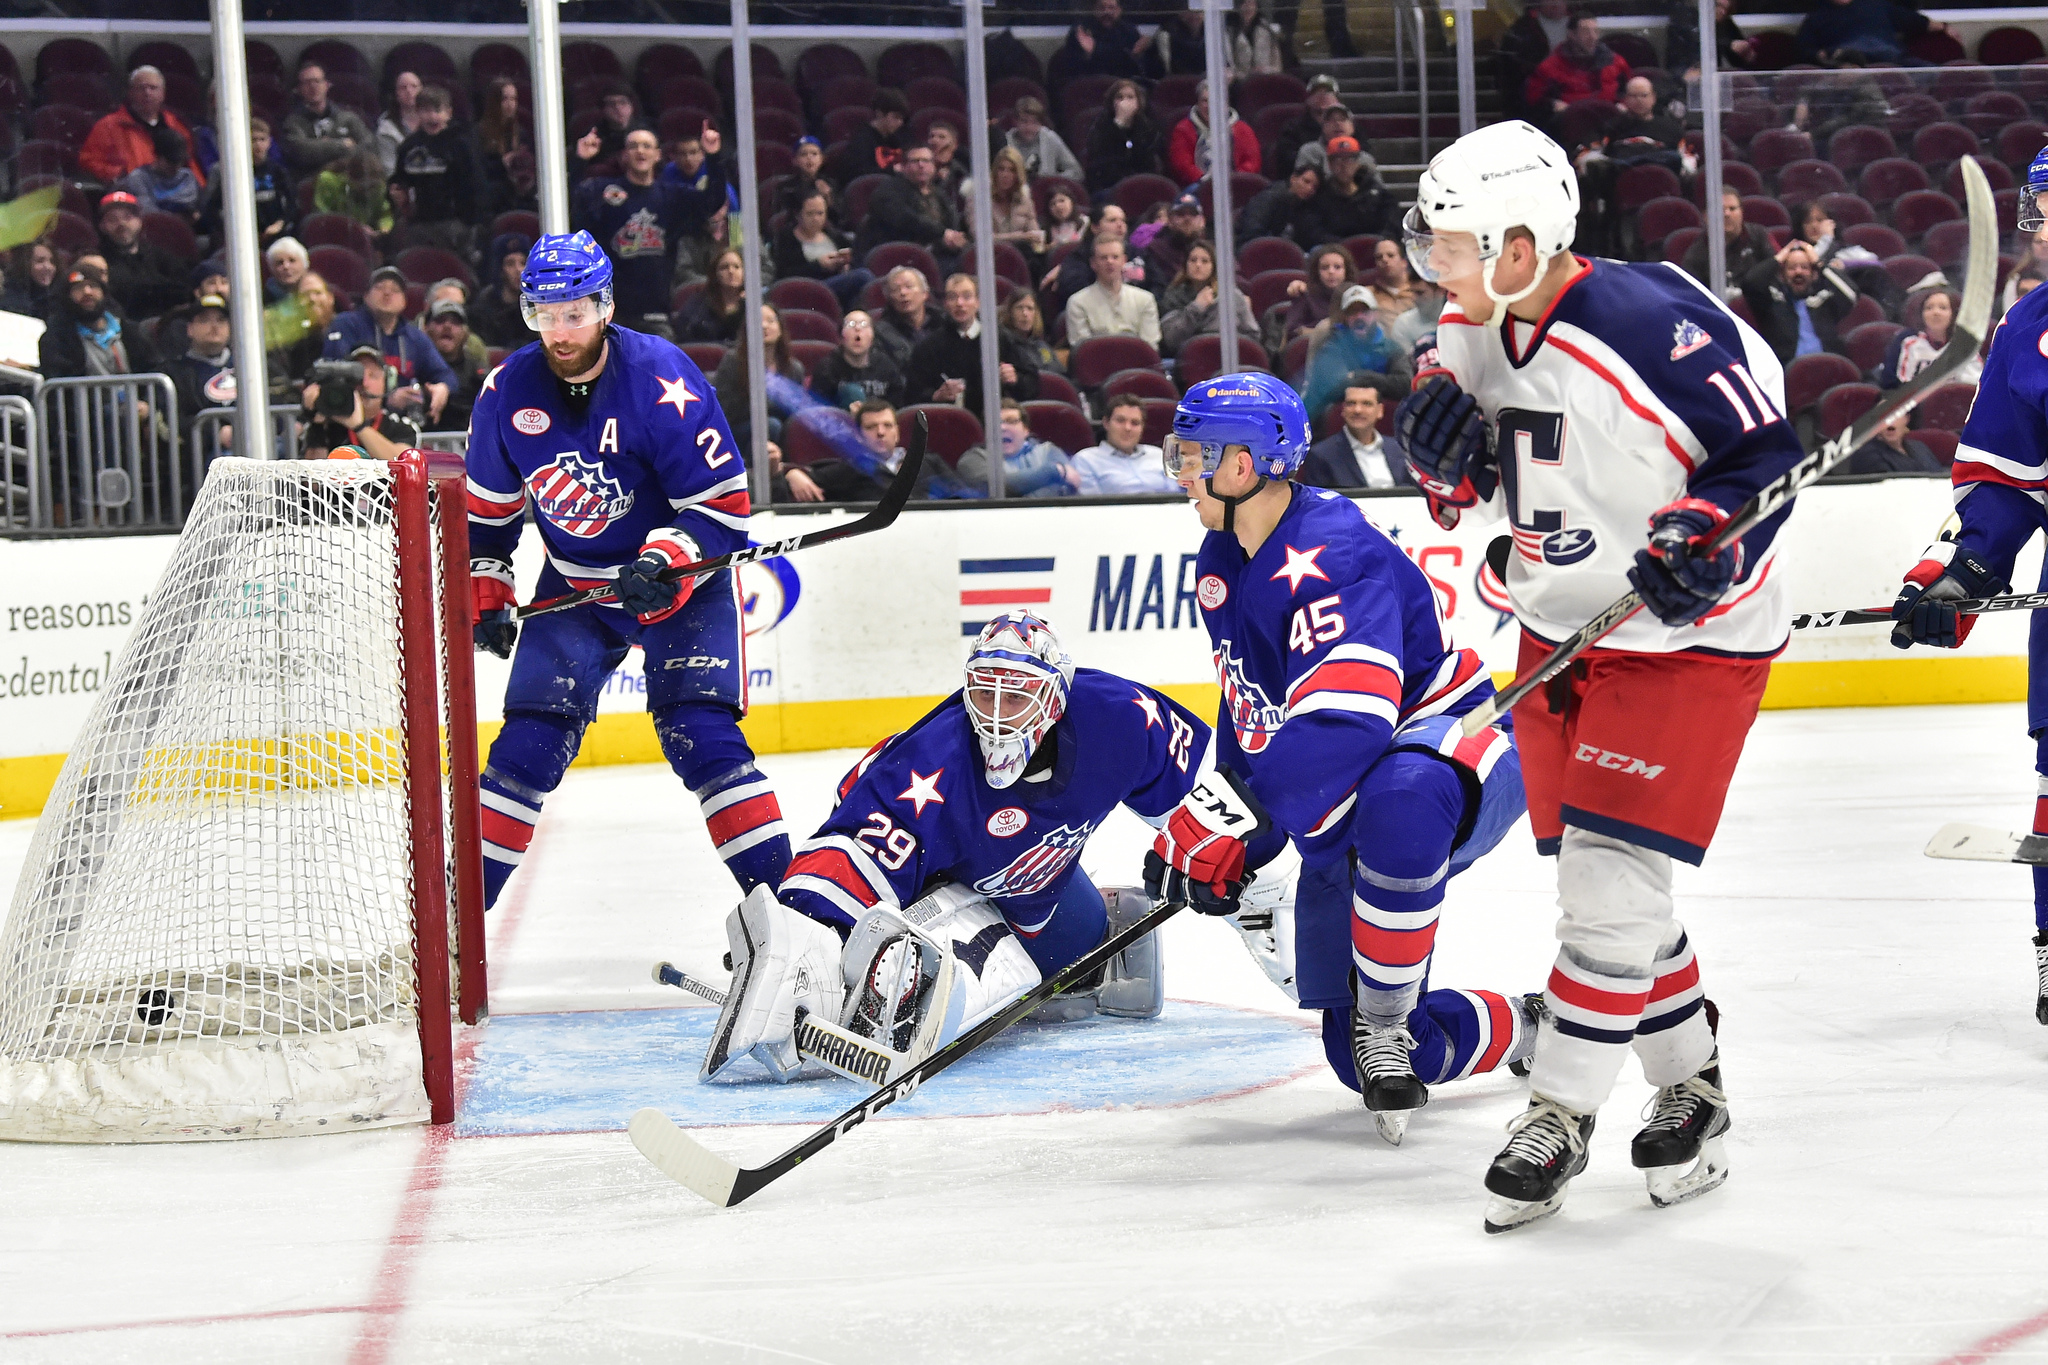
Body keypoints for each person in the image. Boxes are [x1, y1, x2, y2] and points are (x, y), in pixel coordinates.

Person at [1400, 119, 1802, 1230]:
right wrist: (1442, 470)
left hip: (1683, 642)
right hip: (1558, 635)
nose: (1429, 264)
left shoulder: (1645, 326)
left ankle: (1558, 1113)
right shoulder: (1466, 323)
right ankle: (1692, 1090)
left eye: (1448, 243)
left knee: (1605, 890)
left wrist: (1705, 533)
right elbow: (1490, 491)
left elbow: (1763, 457)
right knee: (1614, 894)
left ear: (1518, 248)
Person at [1153, 368, 1536, 1146]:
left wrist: (1242, 820)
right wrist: (1231, 826)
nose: (1182, 470)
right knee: (1356, 1059)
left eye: (1194, 454)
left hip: (1445, 745)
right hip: (1348, 777)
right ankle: (1541, 1023)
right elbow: (1250, 707)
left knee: (1398, 802)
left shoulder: (1336, 551)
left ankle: (1388, 1020)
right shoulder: (1221, 556)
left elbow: (1347, 722)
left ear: (1244, 463)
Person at [705, 612, 1198, 1085]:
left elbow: (1205, 793)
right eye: (985, 694)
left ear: (1053, 701)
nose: (998, 716)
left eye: (1016, 697)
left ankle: (1106, 911)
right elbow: (848, 854)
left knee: (1077, 953)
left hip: (1038, 891)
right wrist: (806, 941)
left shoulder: (1118, 719)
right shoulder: (928, 766)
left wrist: (1236, 851)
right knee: (909, 974)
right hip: (935, 882)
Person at [464, 229, 793, 915]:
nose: (559, 331)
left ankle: (794, 917)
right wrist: (490, 585)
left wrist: (666, 557)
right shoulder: (506, 392)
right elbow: (490, 512)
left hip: (679, 586)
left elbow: (724, 510)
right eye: (543, 314)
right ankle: (455, 923)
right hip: (575, 587)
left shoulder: (662, 377)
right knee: (526, 745)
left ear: (606, 307)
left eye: (574, 312)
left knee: (700, 735)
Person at [1890, 149, 2048, 1026]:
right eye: (2044, 208)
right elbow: (2006, 480)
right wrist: (1960, 570)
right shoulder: (2030, 328)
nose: (2045, 227)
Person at [573, 126, 703, 338]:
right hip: (612, 312)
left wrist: (713, 157)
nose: (640, 151)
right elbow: (571, 204)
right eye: (633, 146)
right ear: (624, 155)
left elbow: (711, 203)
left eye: (646, 146)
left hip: (656, 313)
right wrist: (580, 161)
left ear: (657, 154)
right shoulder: (604, 191)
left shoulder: (671, 196)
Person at [321, 264, 455, 428]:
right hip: (352, 421)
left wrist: (442, 388)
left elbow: (445, 374)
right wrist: (386, 399)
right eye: (379, 287)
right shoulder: (347, 324)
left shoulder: (413, 337)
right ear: (366, 296)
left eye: (395, 290)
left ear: (404, 301)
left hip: (401, 424)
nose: (387, 293)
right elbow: (334, 373)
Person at [904, 273, 1041, 420]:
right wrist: (936, 396)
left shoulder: (1001, 339)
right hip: (949, 423)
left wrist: (1015, 378)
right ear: (945, 303)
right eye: (952, 297)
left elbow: (1033, 384)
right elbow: (912, 394)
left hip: (996, 423)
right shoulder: (929, 346)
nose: (959, 303)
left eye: (967, 296)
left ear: (978, 301)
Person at [388, 86, 482, 254]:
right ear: (417, 113)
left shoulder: (461, 145)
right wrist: (396, 191)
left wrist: (468, 222)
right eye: (425, 111)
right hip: (418, 223)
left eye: (437, 111)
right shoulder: (409, 147)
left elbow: (474, 185)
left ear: (448, 113)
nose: (432, 117)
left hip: (453, 223)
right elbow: (400, 179)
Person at [1739, 237, 1859, 364]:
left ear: (1814, 274)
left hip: (1829, 370)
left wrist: (1819, 263)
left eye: (1805, 267)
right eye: (1791, 268)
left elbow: (1851, 293)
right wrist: (1780, 257)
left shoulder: (1825, 300)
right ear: (1782, 275)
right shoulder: (1772, 302)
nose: (1798, 272)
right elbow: (1750, 283)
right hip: (1787, 375)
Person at [81, 65, 203, 188]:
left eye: (153, 88)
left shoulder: (176, 125)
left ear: (162, 93)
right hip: (131, 193)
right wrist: (120, 174)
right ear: (130, 92)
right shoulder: (108, 126)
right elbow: (88, 161)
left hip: (172, 192)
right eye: (141, 88)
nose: (147, 93)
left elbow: (189, 164)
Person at [40, 261, 160, 379]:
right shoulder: (56, 339)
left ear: (104, 292)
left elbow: (154, 370)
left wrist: (144, 398)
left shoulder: (129, 331)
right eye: (78, 287)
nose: (87, 292)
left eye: (93, 285)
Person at [859, 145, 968, 274]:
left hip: (939, 253)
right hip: (901, 258)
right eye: (915, 161)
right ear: (903, 166)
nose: (921, 165)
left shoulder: (939, 194)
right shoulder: (888, 191)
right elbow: (907, 219)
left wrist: (954, 238)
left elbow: (952, 223)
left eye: (926, 161)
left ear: (934, 167)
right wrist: (942, 233)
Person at [1301, 284, 1403, 421]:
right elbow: (1334, 387)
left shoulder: (1391, 348)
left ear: (1376, 314)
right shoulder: (1331, 346)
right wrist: (1382, 382)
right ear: (1345, 317)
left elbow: (1404, 385)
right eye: (1352, 312)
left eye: (1365, 311)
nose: (1359, 317)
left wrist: (1359, 376)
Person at [713, 303, 807, 451]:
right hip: (738, 429)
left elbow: (795, 411)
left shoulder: (793, 368)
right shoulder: (734, 361)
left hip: (778, 428)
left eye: (771, 321)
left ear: (780, 329)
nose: (764, 326)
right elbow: (726, 410)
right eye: (758, 320)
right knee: (771, 425)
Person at [1300, 378, 1412, 490]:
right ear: (1343, 410)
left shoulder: (1400, 449)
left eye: (1366, 404)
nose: (1357, 410)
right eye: (1351, 404)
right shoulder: (1321, 455)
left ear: (1380, 410)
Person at [199, 118, 294, 249]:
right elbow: (212, 208)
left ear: (269, 142)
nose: (258, 145)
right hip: (241, 237)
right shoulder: (233, 174)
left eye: (262, 139)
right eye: (253, 140)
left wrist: (280, 224)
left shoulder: (278, 172)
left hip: (274, 234)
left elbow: (292, 204)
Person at [773, 190, 872, 313]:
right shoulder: (787, 238)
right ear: (798, 214)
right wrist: (819, 265)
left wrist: (846, 263)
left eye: (820, 213)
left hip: (835, 285)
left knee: (858, 290)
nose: (816, 219)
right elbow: (785, 274)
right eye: (810, 214)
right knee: (863, 276)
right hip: (807, 289)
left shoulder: (832, 234)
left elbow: (855, 257)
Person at [165, 293, 238, 456]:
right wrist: (215, 433)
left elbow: (278, 399)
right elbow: (173, 423)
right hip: (208, 456)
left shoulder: (251, 366)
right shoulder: (173, 373)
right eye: (204, 320)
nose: (214, 326)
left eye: (221, 320)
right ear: (190, 329)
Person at [1159, 240, 1259, 358]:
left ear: (1214, 266)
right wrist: (1196, 307)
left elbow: (1253, 336)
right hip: (1187, 360)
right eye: (1193, 260)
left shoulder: (1232, 296)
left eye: (1205, 261)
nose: (1198, 265)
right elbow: (1171, 341)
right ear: (1186, 265)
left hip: (1227, 359)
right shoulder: (1173, 296)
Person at [1526, 13, 1631, 124]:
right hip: (1570, 129)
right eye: (1586, 32)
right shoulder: (1549, 68)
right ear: (1572, 34)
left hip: (1612, 125)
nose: (1593, 37)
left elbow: (1630, 91)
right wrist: (1552, 105)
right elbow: (1534, 100)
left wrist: (1624, 104)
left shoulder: (1616, 62)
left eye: (1596, 31)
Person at [96, 191, 188, 318]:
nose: (121, 224)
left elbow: (183, 292)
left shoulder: (162, 257)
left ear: (139, 221)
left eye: (127, 217)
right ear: (102, 226)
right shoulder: (99, 260)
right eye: (112, 219)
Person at [1065, 234, 1162, 348]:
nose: (1109, 262)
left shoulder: (1145, 299)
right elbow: (1082, 351)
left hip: (1137, 363)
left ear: (1124, 261)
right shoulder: (1077, 302)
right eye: (1103, 258)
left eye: (1115, 257)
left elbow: (1150, 347)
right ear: (1093, 264)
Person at [970, 399, 1080, 497]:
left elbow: (1067, 489)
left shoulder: (1049, 451)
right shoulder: (973, 459)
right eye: (995, 423)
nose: (1002, 427)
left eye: (1011, 421)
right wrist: (1054, 471)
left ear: (1026, 430)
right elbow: (995, 488)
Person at [282, 62, 374, 176]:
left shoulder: (348, 118)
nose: (313, 86)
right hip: (312, 183)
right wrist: (342, 145)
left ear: (327, 85)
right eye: (307, 82)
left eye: (317, 81)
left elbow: (369, 147)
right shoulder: (293, 122)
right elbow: (301, 152)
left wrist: (321, 145)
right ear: (299, 89)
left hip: (349, 178)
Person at [1681, 189, 1776, 299]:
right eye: (1720, 209)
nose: (1726, 214)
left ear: (1741, 212)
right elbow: (1691, 296)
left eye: (1732, 209)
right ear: (1706, 216)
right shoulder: (1696, 253)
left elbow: (1775, 272)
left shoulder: (1759, 236)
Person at [1073, 394, 1175, 495]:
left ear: (1142, 428)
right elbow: (1092, 506)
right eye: (1120, 421)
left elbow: (1178, 496)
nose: (1127, 428)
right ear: (1106, 423)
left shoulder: (1159, 455)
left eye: (1135, 423)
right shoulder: (1085, 460)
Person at [1796, 0, 1950, 66]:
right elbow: (1803, 51)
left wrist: (1944, 28)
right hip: (1849, 69)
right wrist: (1822, 55)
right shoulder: (1816, 18)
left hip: (1892, 62)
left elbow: (1915, 22)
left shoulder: (1876, 5)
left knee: (1932, 73)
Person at [1882, 285, 1980, 389]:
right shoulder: (1907, 342)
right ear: (1922, 314)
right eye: (1929, 308)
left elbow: (1974, 388)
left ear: (1954, 314)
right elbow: (1895, 387)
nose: (1936, 313)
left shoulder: (1965, 346)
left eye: (1943, 308)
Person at [808, 309, 906, 410]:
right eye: (851, 325)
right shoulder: (827, 369)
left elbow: (896, 408)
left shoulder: (886, 366)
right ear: (841, 337)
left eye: (864, 325)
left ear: (872, 337)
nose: (858, 329)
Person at [1167, 82, 1261, 186]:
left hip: (1236, 187)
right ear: (1197, 103)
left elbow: (1252, 162)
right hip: (1197, 187)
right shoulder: (1183, 129)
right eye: (1205, 101)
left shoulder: (1243, 130)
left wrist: (1234, 181)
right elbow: (1182, 165)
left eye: (1216, 100)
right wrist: (1206, 182)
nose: (1210, 106)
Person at [1497, 0, 1571, 122]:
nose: (1555, 3)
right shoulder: (1523, 29)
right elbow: (1512, 72)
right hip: (1535, 103)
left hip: (1571, 97)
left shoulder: (1581, 26)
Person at [265, 270, 334, 398]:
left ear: (330, 298)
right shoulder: (285, 339)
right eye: (305, 295)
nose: (312, 299)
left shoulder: (343, 328)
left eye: (318, 293)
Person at [1086, 80, 1162, 195]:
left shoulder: (1147, 127)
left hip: (1142, 183)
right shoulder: (1101, 127)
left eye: (1130, 97)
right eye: (1119, 98)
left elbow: (1148, 161)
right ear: (1112, 102)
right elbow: (1103, 163)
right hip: (1109, 186)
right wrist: (1119, 124)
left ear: (1138, 102)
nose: (1124, 102)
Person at [423, 296, 487, 432]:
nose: (447, 326)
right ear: (426, 328)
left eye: (456, 322)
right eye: (440, 321)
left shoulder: (475, 367)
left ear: (466, 333)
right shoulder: (417, 365)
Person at [1828, 402, 1944, 477]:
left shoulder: (1920, 447)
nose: (1890, 421)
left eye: (1896, 414)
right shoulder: (1866, 455)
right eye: (1884, 416)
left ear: (1907, 419)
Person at [1315, 138, 1397, 239]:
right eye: (1338, 159)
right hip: (1333, 251)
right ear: (1329, 164)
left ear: (1358, 162)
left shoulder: (1378, 195)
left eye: (1350, 159)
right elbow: (1314, 233)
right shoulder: (1319, 197)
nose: (1344, 165)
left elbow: (1392, 227)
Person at [120, 124, 201, 224]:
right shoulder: (139, 178)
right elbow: (148, 213)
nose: (176, 166)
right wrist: (178, 218)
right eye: (171, 161)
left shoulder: (187, 177)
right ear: (157, 156)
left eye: (180, 161)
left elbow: (196, 209)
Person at [1281, 244, 1358, 346]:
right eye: (1325, 268)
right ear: (1317, 272)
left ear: (1346, 271)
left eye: (1337, 267)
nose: (1331, 272)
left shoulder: (1356, 296)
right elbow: (1293, 331)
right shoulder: (1305, 295)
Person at [1058, 0, 1151, 84]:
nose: (1106, 12)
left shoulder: (1128, 30)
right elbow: (1075, 68)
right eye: (1102, 8)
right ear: (1094, 9)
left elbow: (1130, 66)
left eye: (1111, 8)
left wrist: (1144, 50)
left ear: (1119, 10)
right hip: (1090, 84)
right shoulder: (1082, 30)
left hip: (1123, 84)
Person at [476, 76, 531, 217]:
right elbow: (478, 172)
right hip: (493, 198)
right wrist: (502, 163)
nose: (510, 104)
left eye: (513, 99)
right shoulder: (478, 133)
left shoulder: (521, 132)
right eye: (504, 99)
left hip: (519, 194)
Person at [831, 89, 909, 186]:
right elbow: (858, 173)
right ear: (880, 113)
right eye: (896, 117)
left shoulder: (898, 138)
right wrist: (892, 170)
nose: (900, 123)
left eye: (902, 118)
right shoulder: (862, 140)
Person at [873, 265, 943, 367]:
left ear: (925, 293)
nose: (903, 293)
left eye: (909, 286)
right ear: (889, 298)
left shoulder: (944, 322)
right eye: (895, 289)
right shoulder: (881, 333)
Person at [315, 146, 394, 236]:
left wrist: (383, 230)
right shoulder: (328, 180)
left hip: (370, 236)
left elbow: (385, 214)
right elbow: (323, 216)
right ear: (349, 177)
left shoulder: (379, 187)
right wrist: (356, 227)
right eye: (364, 187)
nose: (369, 191)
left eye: (372, 187)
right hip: (335, 233)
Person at [673, 248, 747, 344]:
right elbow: (685, 335)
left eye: (736, 267)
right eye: (724, 267)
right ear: (715, 273)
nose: (731, 271)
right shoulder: (698, 304)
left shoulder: (753, 305)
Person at [986, 148, 1044, 269]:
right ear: (994, 172)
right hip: (989, 257)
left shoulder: (1025, 201)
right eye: (1001, 169)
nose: (1005, 175)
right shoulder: (979, 200)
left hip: (1019, 260)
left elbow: (1035, 235)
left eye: (1012, 170)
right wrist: (1020, 237)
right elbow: (981, 237)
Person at [1006, 97, 1085, 186]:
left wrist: (1052, 180)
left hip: (1045, 192)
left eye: (1034, 122)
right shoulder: (1005, 141)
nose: (1029, 127)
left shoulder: (1050, 138)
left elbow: (1076, 172)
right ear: (1015, 121)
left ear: (1041, 123)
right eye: (1024, 121)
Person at [1273, 83, 1342, 183]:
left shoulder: (1348, 127)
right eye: (1317, 93)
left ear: (1337, 100)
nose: (1322, 96)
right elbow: (1288, 162)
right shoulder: (1292, 128)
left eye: (1327, 92)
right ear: (1308, 100)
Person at [471, 233, 531, 348]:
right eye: (510, 264)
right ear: (500, 269)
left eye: (523, 263)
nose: (518, 270)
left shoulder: (536, 303)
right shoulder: (484, 305)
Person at [1143, 194, 1207, 300]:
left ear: (1203, 221)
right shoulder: (1156, 250)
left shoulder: (1215, 250)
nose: (1187, 218)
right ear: (1170, 221)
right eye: (1181, 214)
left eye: (1193, 214)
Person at [571, 84, 641, 181]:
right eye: (611, 104)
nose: (618, 108)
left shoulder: (646, 133)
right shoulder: (591, 138)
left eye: (623, 102)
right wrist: (581, 159)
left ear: (632, 106)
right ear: (603, 109)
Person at [1000, 291, 1063, 377]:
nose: (1025, 314)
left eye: (1030, 308)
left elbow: (1061, 374)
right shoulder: (1005, 345)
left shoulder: (1041, 345)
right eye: (1019, 308)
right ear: (1010, 312)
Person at [374, 70, 422, 176]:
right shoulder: (386, 130)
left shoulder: (435, 122)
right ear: (396, 94)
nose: (409, 91)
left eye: (414, 86)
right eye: (403, 87)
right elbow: (390, 170)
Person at [2, 241, 61, 317]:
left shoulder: (57, 299)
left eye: (52, 262)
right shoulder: (7, 296)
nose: (48, 267)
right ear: (24, 264)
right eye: (40, 261)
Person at [1230, 0, 1288, 74]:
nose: (1248, 7)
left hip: (1264, 79)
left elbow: (1277, 65)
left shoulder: (1266, 30)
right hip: (1240, 81)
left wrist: (1266, 70)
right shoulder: (1230, 32)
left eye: (1251, 3)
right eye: (1244, 3)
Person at [926, 118, 968, 204]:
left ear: (954, 145)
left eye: (942, 137)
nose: (934, 140)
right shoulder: (920, 169)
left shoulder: (960, 174)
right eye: (932, 136)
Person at [1044, 187, 1091, 252]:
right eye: (1053, 203)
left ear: (1072, 202)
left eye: (1062, 201)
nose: (1058, 206)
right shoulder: (1047, 229)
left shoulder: (1087, 223)